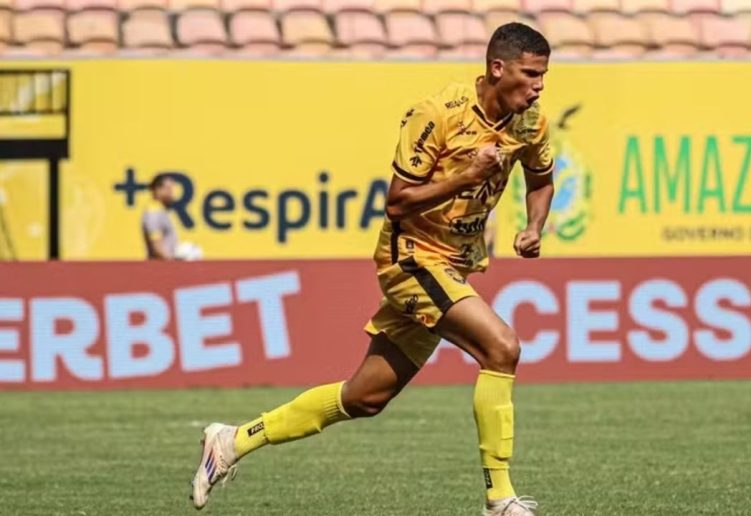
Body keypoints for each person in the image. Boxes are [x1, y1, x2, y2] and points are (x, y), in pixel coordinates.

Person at [190, 22, 555, 516]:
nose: (538, 86)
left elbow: (540, 177)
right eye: (530, 74)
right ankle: (500, 499)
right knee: (502, 348)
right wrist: (467, 175)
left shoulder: (530, 121)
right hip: (410, 259)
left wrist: (535, 225)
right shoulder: (437, 115)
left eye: (543, 75)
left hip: (453, 266)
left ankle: (231, 440)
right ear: (497, 68)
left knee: (364, 397)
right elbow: (397, 203)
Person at [142, 173, 178, 260]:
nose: (171, 193)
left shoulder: (161, 211)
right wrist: (174, 264)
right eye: (168, 189)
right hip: (160, 268)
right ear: (157, 190)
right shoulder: (153, 213)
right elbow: (157, 248)